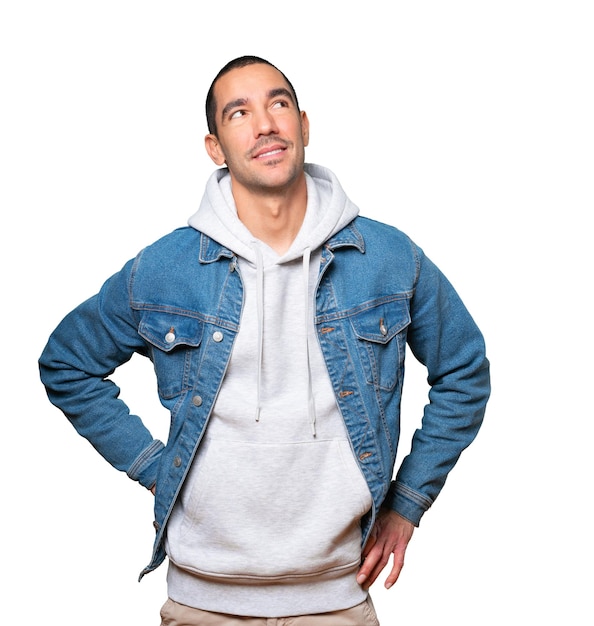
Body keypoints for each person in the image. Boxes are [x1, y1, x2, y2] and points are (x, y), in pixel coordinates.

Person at [39, 55, 490, 625]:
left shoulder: (389, 258)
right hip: (204, 602)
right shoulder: (165, 268)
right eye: (239, 113)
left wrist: (410, 501)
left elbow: (464, 371)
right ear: (215, 147)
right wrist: (159, 468)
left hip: (337, 600)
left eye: (278, 104)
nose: (265, 124)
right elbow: (67, 363)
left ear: (303, 124)